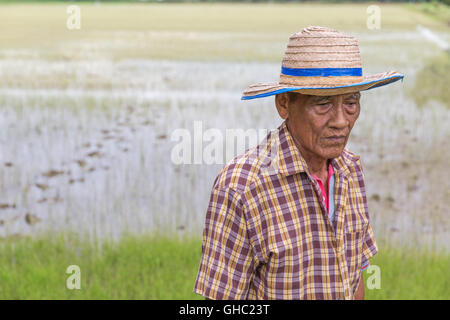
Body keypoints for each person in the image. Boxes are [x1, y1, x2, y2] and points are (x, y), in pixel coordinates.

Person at [193, 26, 403, 300]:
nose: (341, 121)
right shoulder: (242, 188)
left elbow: (354, 275)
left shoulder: (350, 169)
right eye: (323, 104)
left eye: (351, 103)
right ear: (284, 104)